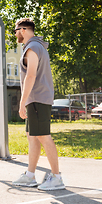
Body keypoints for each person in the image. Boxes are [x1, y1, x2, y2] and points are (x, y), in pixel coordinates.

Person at [12, 18, 65, 191]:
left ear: (24, 30)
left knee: (43, 136)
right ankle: (30, 175)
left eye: (16, 30)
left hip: (37, 99)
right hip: (36, 99)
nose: (15, 34)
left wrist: (21, 102)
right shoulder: (37, 46)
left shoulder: (33, 47)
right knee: (32, 136)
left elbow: (31, 76)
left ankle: (57, 177)